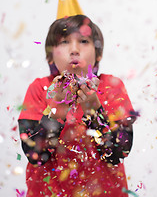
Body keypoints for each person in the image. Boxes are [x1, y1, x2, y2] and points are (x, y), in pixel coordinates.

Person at [18, 14, 137, 197]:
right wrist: (58, 108)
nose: (74, 50)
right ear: (50, 56)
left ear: (98, 54)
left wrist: (93, 109)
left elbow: (118, 153)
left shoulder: (112, 86)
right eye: (64, 42)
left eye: (83, 41)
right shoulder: (39, 88)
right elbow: (35, 155)